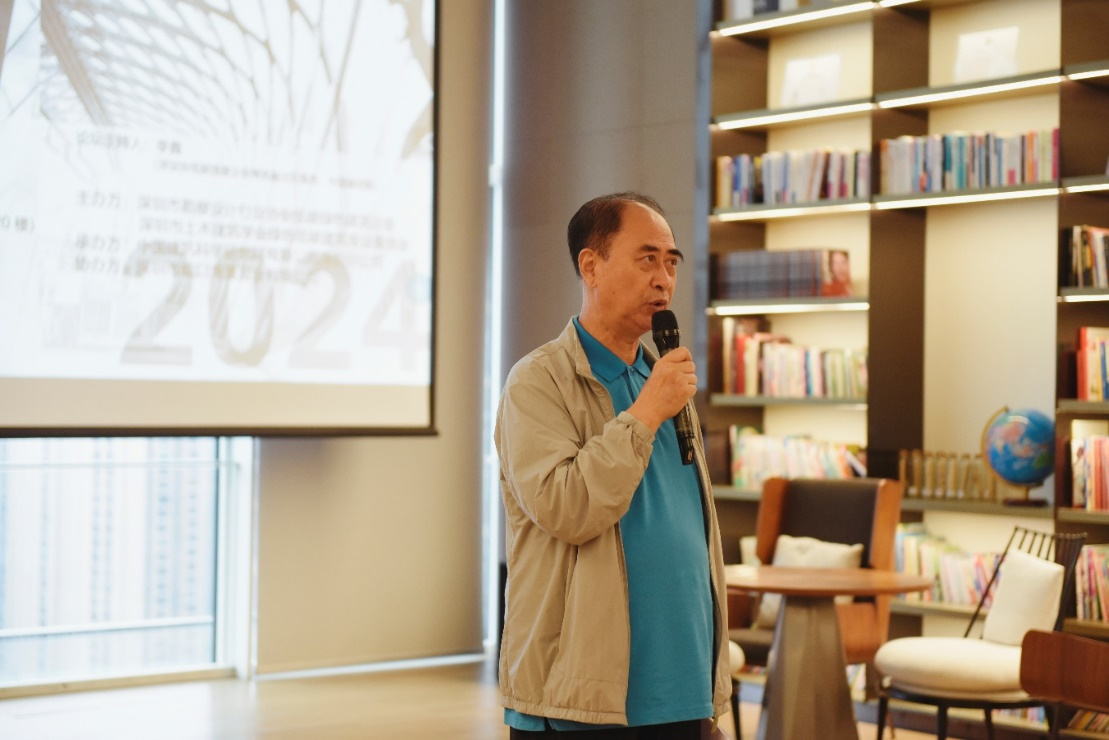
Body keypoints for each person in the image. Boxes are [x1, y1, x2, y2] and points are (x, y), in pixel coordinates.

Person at [495, 192, 731, 739]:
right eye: (647, 259)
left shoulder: (663, 379)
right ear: (591, 266)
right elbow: (567, 508)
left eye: (671, 262)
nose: (663, 279)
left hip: (683, 690)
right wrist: (645, 413)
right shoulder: (538, 381)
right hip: (582, 700)